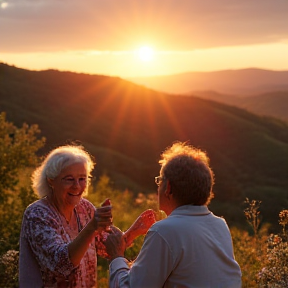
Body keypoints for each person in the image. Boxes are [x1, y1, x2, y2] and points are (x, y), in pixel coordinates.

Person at [105, 141, 242, 288]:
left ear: (168, 188)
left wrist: (117, 255)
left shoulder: (164, 231)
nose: (158, 188)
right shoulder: (220, 225)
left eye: (159, 181)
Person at [19, 144, 155, 288]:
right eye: (69, 179)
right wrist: (91, 228)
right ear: (51, 180)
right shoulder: (37, 214)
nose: (77, 186)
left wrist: (133, 232)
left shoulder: (85, 208)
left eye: (82, 179)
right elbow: (60, 265)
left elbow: (107, 246)